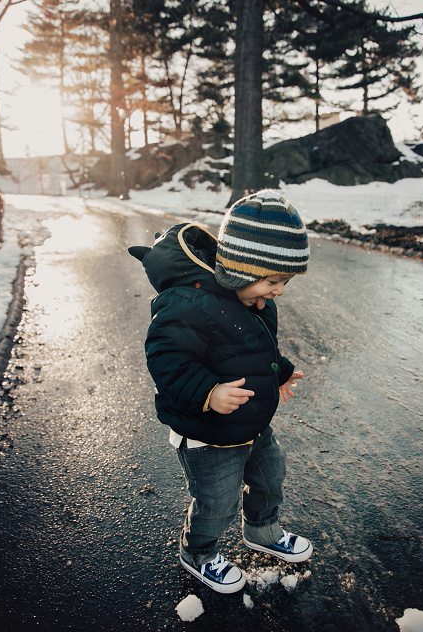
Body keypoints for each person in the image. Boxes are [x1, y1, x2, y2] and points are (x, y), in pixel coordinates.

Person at [129, 189, 314, 593]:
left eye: (284, 282)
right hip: (207, 432)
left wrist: (278, 372)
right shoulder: (188, 305)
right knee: (217, 502)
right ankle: (197, 552)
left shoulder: (254, 302)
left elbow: (251, 349)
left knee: (270, 476)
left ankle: (263, 531)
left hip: (251, 425)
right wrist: (209, 392)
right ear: (242, 270)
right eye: (274, 280)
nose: (280, 290)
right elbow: (166, 361)